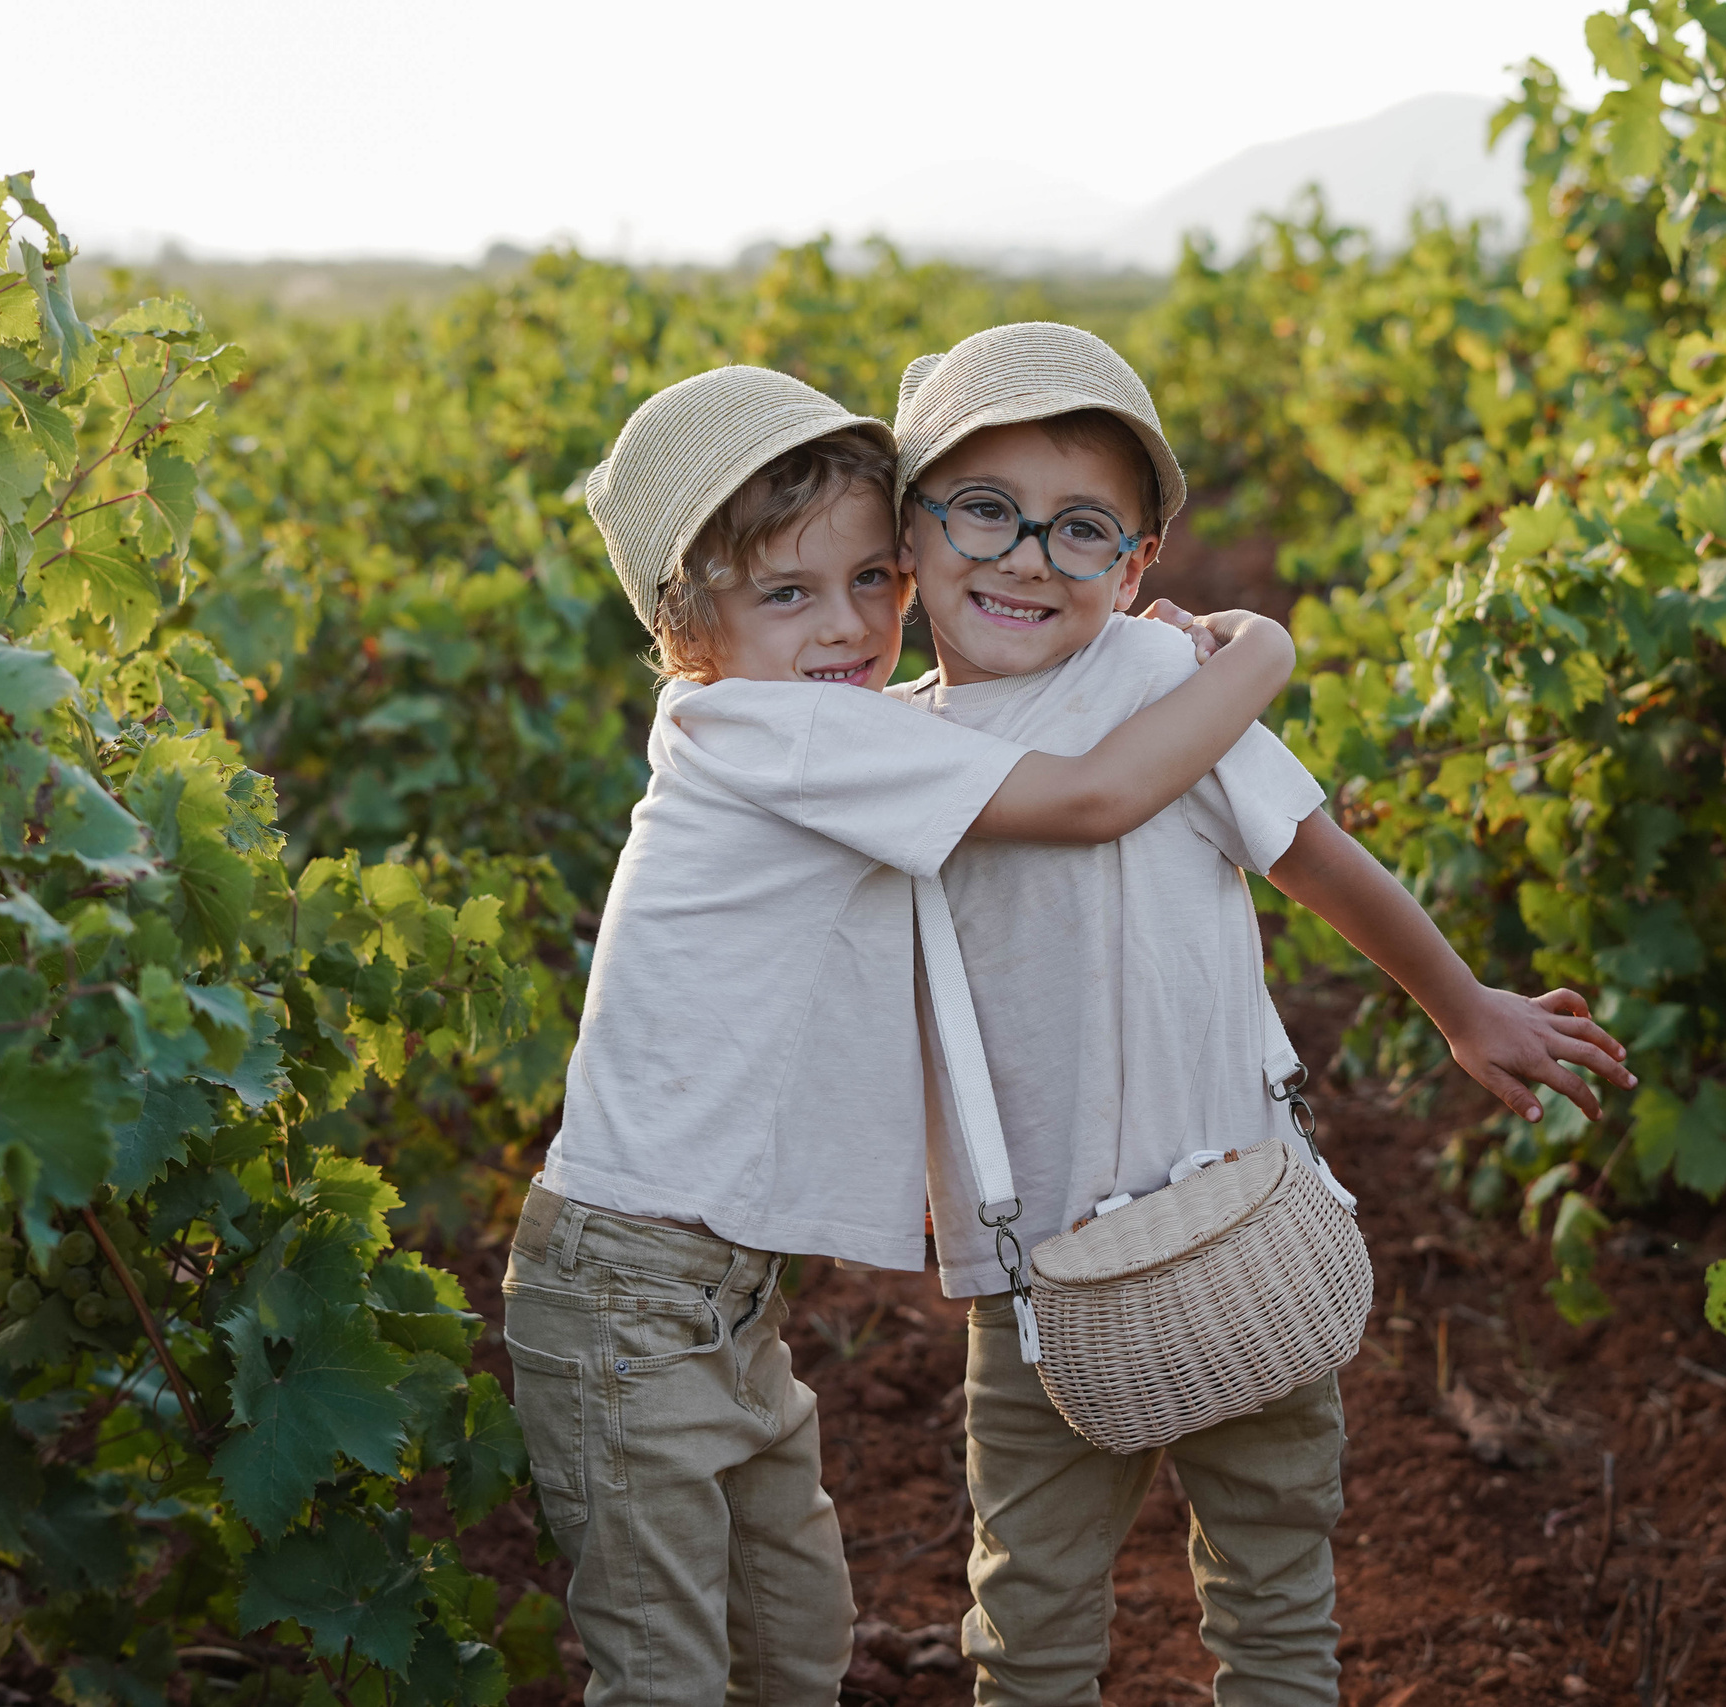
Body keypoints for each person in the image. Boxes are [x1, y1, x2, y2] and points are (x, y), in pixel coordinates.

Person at [501, 363, 1298, 1706]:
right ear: (684, 628)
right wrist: (1264, 652)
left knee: (792, 1649)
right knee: (669, 1681)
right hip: (632, 1298)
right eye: (789, 594)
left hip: (721, 1308)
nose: (850, 626)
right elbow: (1098, 792)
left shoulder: (826, 729)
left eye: (874, 579)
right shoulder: (774, 730)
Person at [887, 323, 1637, 1704]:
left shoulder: (1169, 687)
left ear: (1139, 562)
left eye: (1082, 529)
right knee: (1034, 1615)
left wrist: (1463, 1006)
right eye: (983, 510)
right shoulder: (887, 755)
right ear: (910, 531)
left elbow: (1312, 854)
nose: (1025, 557)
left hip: (1241, 1217)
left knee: (1276, 1593)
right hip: (1033, 1276)